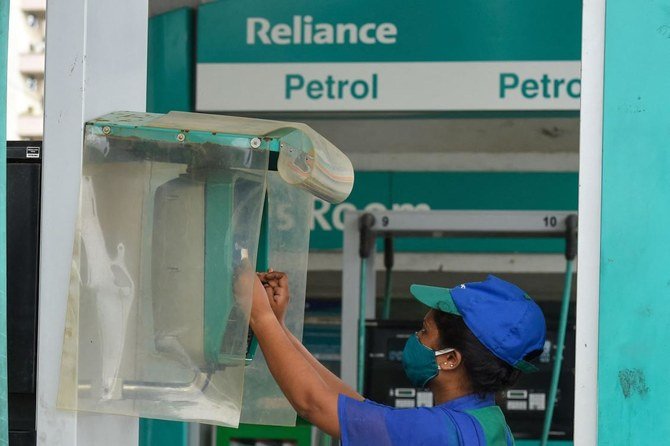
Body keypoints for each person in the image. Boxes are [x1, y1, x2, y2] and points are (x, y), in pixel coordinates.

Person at [250, 272, 546, 445]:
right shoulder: (486, 422)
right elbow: (356, 408)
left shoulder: (442, 432)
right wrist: (278, 328)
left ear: (450, 359)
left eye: (424, 331)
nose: (416, 339)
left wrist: (259, 316)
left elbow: (314, 404)